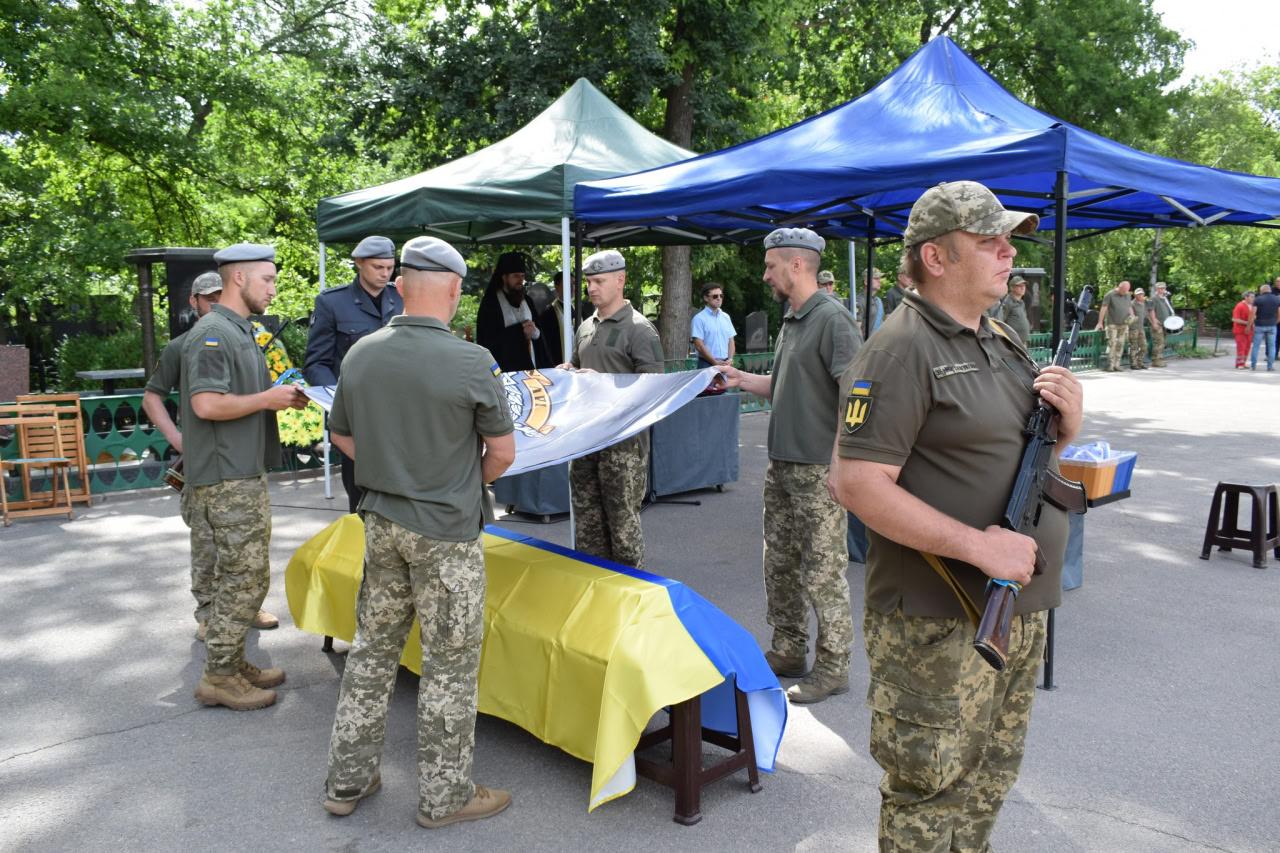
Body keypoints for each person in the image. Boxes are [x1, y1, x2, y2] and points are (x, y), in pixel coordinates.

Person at [832, 180, 1082, 850]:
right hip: (937, 624)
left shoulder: (999, 337)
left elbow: (1013, 452)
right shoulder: (900, 347)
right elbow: (855, 483)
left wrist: (1067, 429)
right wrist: (979, 546)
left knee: (987, 780)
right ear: (936, 258)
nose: (1009, 252)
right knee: (929, 795)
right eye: (990, 240)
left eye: (1010, 240)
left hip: (1012, 605)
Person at [322, 235, 516, 828]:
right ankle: (445, 796)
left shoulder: (361, 354)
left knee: (373, 653)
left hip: (380, 524)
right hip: (446, 531)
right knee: (450, 664)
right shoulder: (470, 360)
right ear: (455, 290)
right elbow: (502, 454)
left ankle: (346, 781)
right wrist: (457, 483)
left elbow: (342, 436)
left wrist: (389, 468)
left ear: (401, 285)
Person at [718, 228, 863, 704]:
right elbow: (781, 385)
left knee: (823, 570)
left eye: (771, 266)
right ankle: (787, 649)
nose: (765, 275)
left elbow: (855, 398)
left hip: (818, 468)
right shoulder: (794, 319)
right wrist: (741, 378)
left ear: (797, 266)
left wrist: (840, 463)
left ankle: (834, 666)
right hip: (782, 465)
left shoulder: (832, 320)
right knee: (779, 563)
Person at [183, 243, 310, 711]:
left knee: (248, 575)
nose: (274, 289)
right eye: (268, 280)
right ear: (239, 279)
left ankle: (231, 662)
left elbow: (242, 395)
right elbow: (206, 405)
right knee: (242, 577)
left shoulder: (239, 330)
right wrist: (266, 400)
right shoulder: (214, 333)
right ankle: (218, 677)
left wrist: (280, 395)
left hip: (239, 472)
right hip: (224, 478)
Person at [142, 272, 279, 641]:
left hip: (244, 461)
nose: (216, 303)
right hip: (209, 466)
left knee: (245, 550)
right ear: (195, 302)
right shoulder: (186, 344)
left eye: (221, 295)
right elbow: (152, 397)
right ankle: (208, 611)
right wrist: (178, 439)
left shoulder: (247, 338)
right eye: (208, 298)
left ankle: (242, 609)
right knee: (207, 545)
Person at [556, 250, 663, 570]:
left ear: (621, 280)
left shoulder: (640, 329)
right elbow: (578, 364)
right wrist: (568, 369)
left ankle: (633, 597)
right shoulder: (586, 326)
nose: (591, 288)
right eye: (588, 281)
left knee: (623, 530)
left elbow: (654, 389)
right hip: (586, 440)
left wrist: (602, 382)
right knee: (587, 529)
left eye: (599, 281)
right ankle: (595, 595)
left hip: (623, 446)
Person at [304, 236, 403, 513]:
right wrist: (342, 402)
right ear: (359, 263)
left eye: (389, 267)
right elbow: (316, 363)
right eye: (377, 267)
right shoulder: (333, 302)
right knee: (362, 503)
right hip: (357, 419)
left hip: (401, 414)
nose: (385, 274)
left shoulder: (401, 296)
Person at [476, 252, 548, 372]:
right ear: (504, 277)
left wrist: (534, 331)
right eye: (515, 276)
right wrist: (520, 331)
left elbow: (540, 336)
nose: (520, 280)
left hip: (532, 367)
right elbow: (488, 340)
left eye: (522, 276)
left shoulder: (528, 301)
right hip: (505, 369)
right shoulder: (491, 303)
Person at [691, 281, 737, 367]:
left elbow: (731, 340)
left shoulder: (726, 317)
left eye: (721, 295)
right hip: (706, 364)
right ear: (706, 298)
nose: (719, 298)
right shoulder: (699, 319)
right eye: (715, 296)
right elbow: (699, 345)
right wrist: (714, 361)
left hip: (726, 364)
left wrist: (730, 359)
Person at [1095, 279, 1135, 371]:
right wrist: (1100, 322)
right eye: (1123, 290)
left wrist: (1132, 315)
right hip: (1112, 324)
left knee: (1120, 344)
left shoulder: (1128, 295)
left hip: (1124, 324)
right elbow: (1104, 308)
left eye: (1126, 291)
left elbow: (1129, 307)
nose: (1125, 292)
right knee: (1112, 344)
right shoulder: (1110, 295)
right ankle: (1110, 365)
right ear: (1119, 287)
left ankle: (1117, 364)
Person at [534, 271, 573, 365]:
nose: (572, 287)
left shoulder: (579, 309)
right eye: (568, 284)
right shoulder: (548, 314)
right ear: (557, 287)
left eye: (574, 283)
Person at [1250, 282, 1279, 371]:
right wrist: (1276, 322)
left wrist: (1251, 324)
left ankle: (1253, 365)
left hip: (1259, 325)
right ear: (1269, 290)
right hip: (1272, 325)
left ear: (1262, 291)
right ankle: (1270, 366)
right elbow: (1279, 314)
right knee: (1272, 346)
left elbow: (1253, 313)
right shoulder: (1277, 300)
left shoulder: (1258, 299)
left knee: (1256, 345)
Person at [999, 275, 1032, 346]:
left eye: (1024, 286)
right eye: (1020, 286)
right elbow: (1001, 320)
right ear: (1012, 288)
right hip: (1013, 341)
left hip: (1022, 340)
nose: (1023, 288)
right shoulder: (1008, 302)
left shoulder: (1021, 303)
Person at [1147, 281, 1174, 367]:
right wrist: (1154, 322)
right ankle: (1155, 360)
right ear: (1157, 289)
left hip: (1165, 324)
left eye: (1164, 288)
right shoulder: (1153, 298)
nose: (1163, 289)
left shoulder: (1165, 299)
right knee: (1159, 342)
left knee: (1163, 342)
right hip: (1157, 323)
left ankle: (1159, 359)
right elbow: (1151, 311)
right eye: (1161, 288)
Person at [1232, 290, 1256, 369]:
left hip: (1250, 330)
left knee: (1247, 346)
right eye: (1251, 297)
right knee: (1241, 346)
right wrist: (1247, 323)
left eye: (1254, 297)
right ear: (1246, 297)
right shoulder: (1240, 306)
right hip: (1240, 330)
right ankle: (1239, 364)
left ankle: (1244, 362)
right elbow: (1235, 319)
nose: (1253, 298)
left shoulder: (1252, 306)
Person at [856, 269, 884, 335]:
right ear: (866, 282)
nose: (879, 281)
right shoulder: (859, 301)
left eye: (879, 278)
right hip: (867, 343)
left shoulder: (878, 301)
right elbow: (857, 329)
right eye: (876, 278)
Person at [1127, 287, 1150, 370]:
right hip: (1133, 328)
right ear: (1135, 295)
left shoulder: (1143, 303)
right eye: (1138, 294)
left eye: (1141, 294)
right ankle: (1133, 363)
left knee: (1144, 346)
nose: (1140, 295)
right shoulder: (1131, 304)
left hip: (1141, 328)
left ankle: (1140, 362)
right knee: (1133, 346)